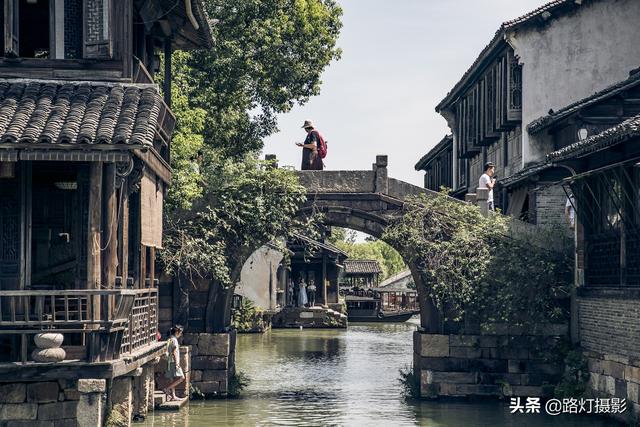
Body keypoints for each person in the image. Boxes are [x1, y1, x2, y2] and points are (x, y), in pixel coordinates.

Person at [164, 325, 185, 401]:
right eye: (180, 333)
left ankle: (173, 396)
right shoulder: (174, 340)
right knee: (181, 378)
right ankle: (167, 389)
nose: (181, 334)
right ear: (177, 332)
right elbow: (174, 352)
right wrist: (177, 363)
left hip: (169, 361)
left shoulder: (169, 339)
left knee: (172, 379)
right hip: (173, 361)